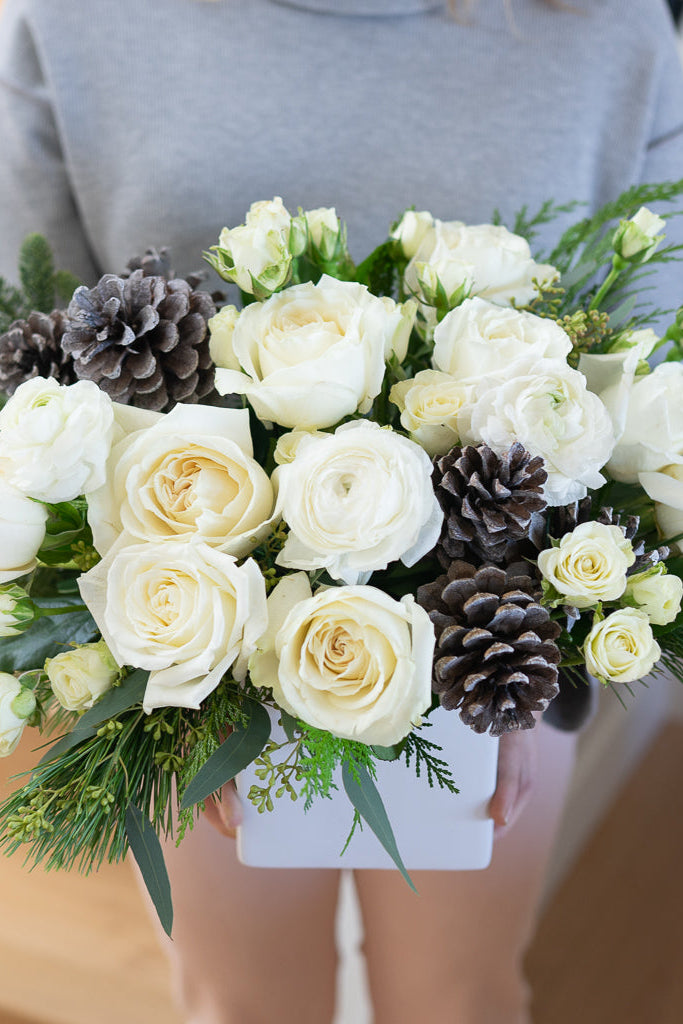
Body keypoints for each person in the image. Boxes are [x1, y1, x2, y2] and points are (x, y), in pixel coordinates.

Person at [1, 1, 682, 1022]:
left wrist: (529, 663)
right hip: (176, 642)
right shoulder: (77, 21)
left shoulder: (606, 31)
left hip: (497, 641)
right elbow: (29, 393)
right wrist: (161, 673)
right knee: (243, 1002)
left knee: (457, 1001)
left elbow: (647, 405)